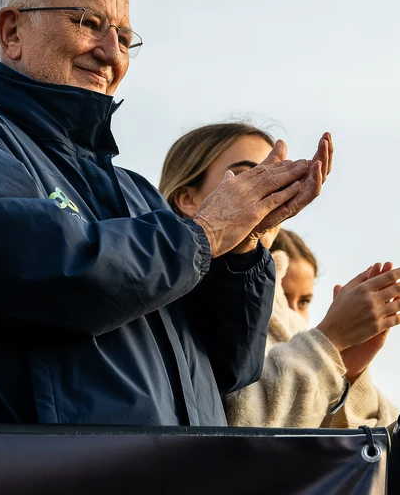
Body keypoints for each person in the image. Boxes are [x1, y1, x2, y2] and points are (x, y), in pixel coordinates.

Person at [0, 0, 330, 425]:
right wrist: (203, 235)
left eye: (124, 38)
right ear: (12, 31)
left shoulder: (135, 193)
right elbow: (27, 267)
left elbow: (229, 367)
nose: (111, 53)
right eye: (89, 23)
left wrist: (241, 251)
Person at [159, 122, 399, 429]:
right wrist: (330, 340)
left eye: (278, 174)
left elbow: (354, 450)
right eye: (250, 175)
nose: (269, 187)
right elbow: (236, 429)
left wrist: (348, 368)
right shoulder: (171, 293)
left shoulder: (283, 309)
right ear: (188, 199)